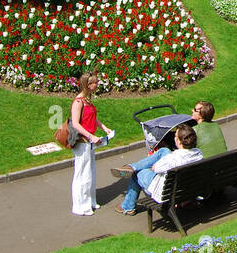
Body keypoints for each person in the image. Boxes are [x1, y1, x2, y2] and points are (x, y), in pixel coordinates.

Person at [115, 124, 204, 215]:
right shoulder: (198, 154)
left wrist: (154, 159)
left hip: (166, 192)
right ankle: (132, 166)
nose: (174, 138)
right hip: (185, 189)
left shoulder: (172, 159)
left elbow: (155, 168)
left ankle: (127, 207)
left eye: (175, 136)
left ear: (179, 141)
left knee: (137, 174)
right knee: (164, 150)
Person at [69, 72, 114, 217]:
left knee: (90, 173)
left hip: (90, 143)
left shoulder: (88, 100)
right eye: (95, 82)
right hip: (82, 143)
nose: (97, 84)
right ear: (88, 85)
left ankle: (90, 201)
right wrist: (90, 136)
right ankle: (80, 206)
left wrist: (104, 127)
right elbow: (75, 124)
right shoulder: (78, 102)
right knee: (82, 174)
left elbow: (92, 118)